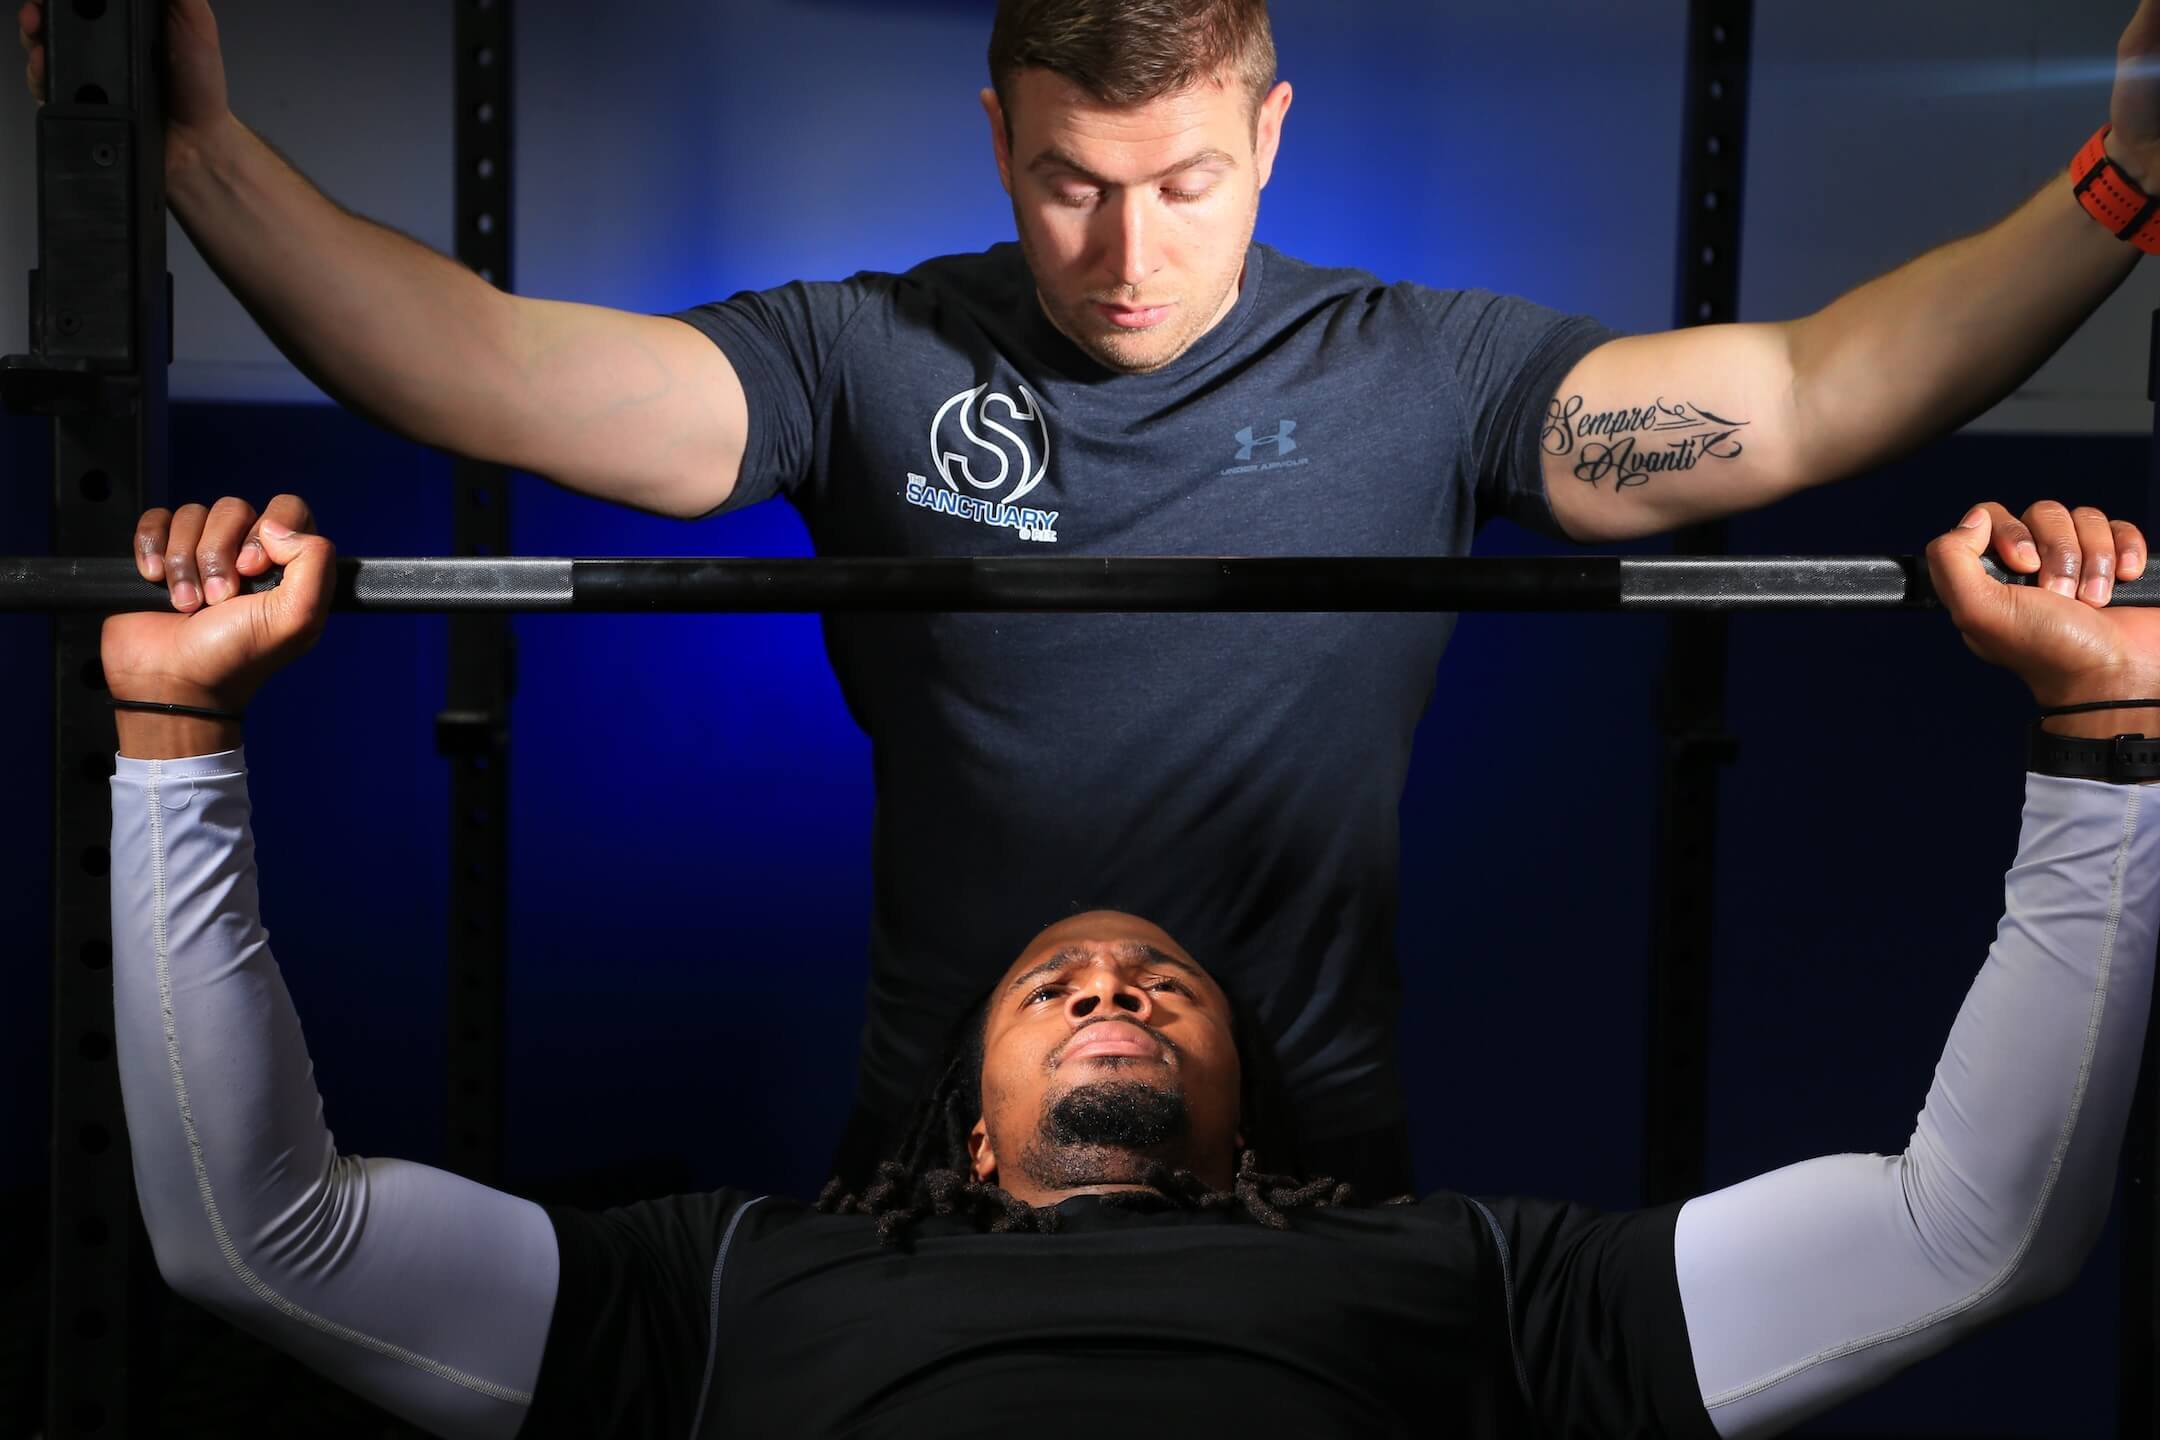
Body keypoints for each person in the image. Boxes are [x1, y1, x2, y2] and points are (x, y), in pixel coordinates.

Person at [33, 0, 2160, 1193]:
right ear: (995, 135)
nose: (1125, 252)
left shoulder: (1423, 369)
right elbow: (491, 366)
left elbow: (1794, 399)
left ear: (1272, 129)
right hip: (933, 1135)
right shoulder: (865, 353)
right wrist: (200, 156)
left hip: (1310, 1141)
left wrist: (2124, 175)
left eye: (1184, 182)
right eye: (1066, 179)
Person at [101, 492, 2160, 1438]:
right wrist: (175, 737)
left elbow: (1966, 1235)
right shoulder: (726, 1284)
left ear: (1248, 1089)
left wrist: (2103, 740)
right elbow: (253, 1239)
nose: (1111, 984)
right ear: (964, 1116)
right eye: (1056, 981)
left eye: (1166, 984)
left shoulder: (1486, 1283)